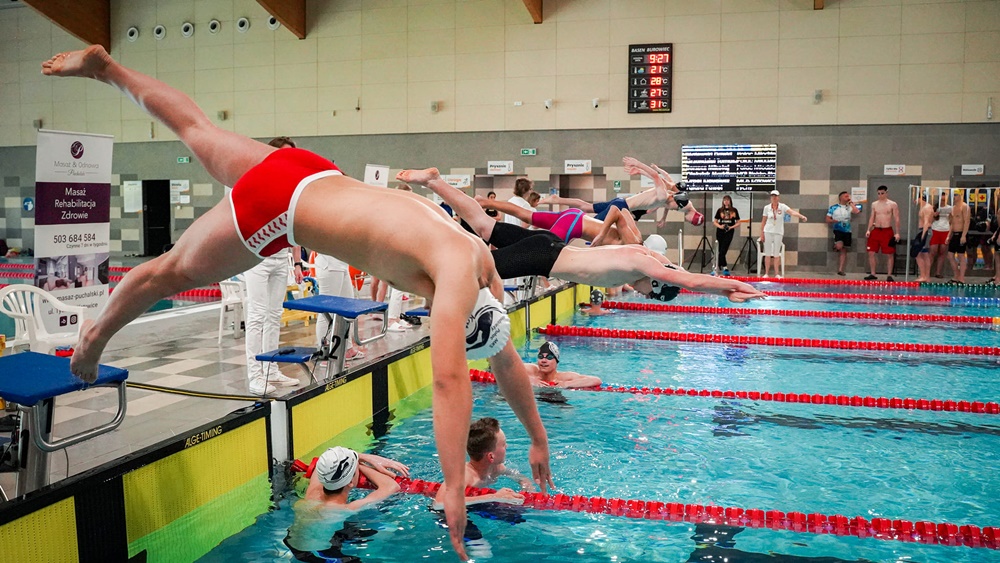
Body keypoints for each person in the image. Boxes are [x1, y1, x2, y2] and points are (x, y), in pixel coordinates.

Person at [43, 46, 553, 559]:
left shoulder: (480, 261)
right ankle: (94, 338)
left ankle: (108, 71)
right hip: (282, 208)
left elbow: (505, 359)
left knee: (195, 128)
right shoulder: (456, 288)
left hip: (311, 171)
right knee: (166, 272)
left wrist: (538, 439)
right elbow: (449, 383)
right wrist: (456, 489)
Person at [398, 168, 766, 304]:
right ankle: (414, 241)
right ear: (653, 286)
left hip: (552, 245)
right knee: (469, 271)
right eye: (648, 295)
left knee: (483, 225)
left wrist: (729, 289)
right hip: (545, 257)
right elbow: (686, 279)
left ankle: (434, 181)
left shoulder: (642, 253)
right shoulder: (639, 263)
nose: (639, 295)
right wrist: (728, 287)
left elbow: (674, 268)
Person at [243, 136, 304, 396]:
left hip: (282, 260)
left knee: (273, 316)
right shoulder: (258, 182)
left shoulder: (293, 187)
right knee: (256, 316)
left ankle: (271, 369)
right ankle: (255, 375)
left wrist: (298, 262)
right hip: (258, 260)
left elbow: (294, 227)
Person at [285, 447, 408, 561]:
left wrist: (361, 459)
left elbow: (326, 460)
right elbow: (391, 486)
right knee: (387, 531)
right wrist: (361, 464)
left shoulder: (312, 494)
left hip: (295, 547)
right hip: (321, 555)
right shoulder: (345, 509)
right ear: (350, 482)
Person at [540, 157, 704, 227]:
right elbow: (659, 177)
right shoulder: (664, 196)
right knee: (587, 225)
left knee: (585, 207)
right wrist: (638, 165)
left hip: (622, 203)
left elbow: (662, 183)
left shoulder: (667, 199)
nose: (675, 209)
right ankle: (559, 222)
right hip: (621, 206)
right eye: (675, 207)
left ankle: (556, 198)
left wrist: (641, 171)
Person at [433, 417, 533, 511]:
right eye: (503, 444)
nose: (507, 446)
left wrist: (527, 489)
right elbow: (439, 504)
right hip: (447, 513)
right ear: (491, 457)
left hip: (474, 502)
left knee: (516, 513)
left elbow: (519, 477)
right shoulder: (464, 475)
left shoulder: (497, 468)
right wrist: (495, 497)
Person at [478, 196, 642, 246]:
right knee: (542, 250)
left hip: (574, 216)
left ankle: (485, 202)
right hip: (574, 224)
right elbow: (616, 210)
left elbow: (626, 212)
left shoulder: (636, 236)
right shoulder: (633, 243)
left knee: (527, 215)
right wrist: (601, 235)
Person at [760, 190, 808, 279]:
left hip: (778, 232)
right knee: (767, 253)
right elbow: (763, 221)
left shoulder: (782, 207)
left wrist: (801, 216)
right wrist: (762, 233)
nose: (774, 198)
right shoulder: (766, 208)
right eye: (772, 196)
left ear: (778, 197)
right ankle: (766, 273)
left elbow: (792, 212)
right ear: (770, 197)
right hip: (768, 231)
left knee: (776, 253)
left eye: (776, 196)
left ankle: (776, 273)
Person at [525, 341, 602, 388]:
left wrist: (567, 384)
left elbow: (596, 380)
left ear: (556, 361)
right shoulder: (531, 371)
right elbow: (512, 370)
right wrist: (529, 380)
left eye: (549, 357)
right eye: (541, 356)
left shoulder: (563, 377)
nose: (544, 360)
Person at [864, 185, 901, 281]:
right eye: (879, 193)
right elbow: (872, 217)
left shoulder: (892, 204)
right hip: (876, 230)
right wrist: (868, 229)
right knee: (871, 252)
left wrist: (897, 233)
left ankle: (889, 275)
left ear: (886, 193)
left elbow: (896, 219)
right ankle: (873, 273)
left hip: (887, 230)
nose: (880, 195)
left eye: (882, 193)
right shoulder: (874, 204)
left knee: (889, 253)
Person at [825, 191, 860, 276]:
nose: (847, 197)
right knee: (840, 246)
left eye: (848, 196)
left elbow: (857, 211)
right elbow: (827, 219)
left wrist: (851, 203)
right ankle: (836, 246)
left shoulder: (849, 207)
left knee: (844, 249)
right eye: (846, 196)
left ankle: (840, 270)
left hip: (847, 230)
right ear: (840, 198)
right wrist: (833, 221)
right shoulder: (833, 207)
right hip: (838, 229)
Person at [713, 195, 741, 276]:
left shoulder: (734, 210)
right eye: (724, 200)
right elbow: (715, 221)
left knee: (723, 250)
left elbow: (738, 222)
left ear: (730, 201)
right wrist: (720, 226)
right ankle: (719, 266)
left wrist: (731, 227)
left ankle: (724, 267)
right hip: (720, 231)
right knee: (719, 250)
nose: (726, 201)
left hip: (729, 231)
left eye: (727, 200)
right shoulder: (720, 210)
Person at [947, 191, 970, 284]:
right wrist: (949, 235)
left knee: (961, 255)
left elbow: (967, 222)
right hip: (955, 234)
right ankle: (956, 275)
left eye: (956, 195)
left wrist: (964, 235)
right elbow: (952, 223)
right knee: (950, 255)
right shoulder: (953, 208)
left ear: (961, 195)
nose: (954, 197)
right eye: (953, 195)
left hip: (961, 234)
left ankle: (961, 278)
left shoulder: (965, 207)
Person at [912, 189, 935, 282]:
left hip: (925, 231)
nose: (914, 201)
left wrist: (923, 236)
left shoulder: (926, 208)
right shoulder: (925, 207)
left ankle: (924, 276)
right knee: (924, 254)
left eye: (916, 198)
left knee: (919, 254)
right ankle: (926, 276)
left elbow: (926, 222)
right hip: (924, 231)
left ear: (920, 198)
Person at [929, 191, 952, 279]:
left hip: (946, 230)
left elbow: (951, 220)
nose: (943, 200)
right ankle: (927, 272)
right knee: (932, 252)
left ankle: (938, 272)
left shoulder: (950, 208)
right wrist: (934, 215)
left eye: (944, 198)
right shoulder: (933, 207)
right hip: (935, 230)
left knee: (942, 252)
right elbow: (929, 221)